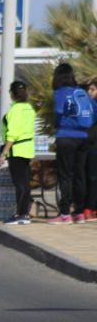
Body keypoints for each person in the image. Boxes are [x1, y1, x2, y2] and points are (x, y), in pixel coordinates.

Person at [51, 63, 93, 224]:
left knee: (65, 175)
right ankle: (80, 212)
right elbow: (93, 111)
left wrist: (57, 125)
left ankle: (64, 213)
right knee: (79, 175)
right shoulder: (81, 92)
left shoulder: (60, 93)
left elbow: (59, 113)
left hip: (66, 137)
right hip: (83, 137)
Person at [0, 81, 36, 225]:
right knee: (25, 183)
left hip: (17, 149)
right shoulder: (29, 108)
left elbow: (12, 135)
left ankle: (21, 214)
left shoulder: (15, 110)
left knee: (19, 184)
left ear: (12, 94)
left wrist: (3, 154)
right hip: (27, 148)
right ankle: (24, 213)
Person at [85, 79, 97, 221]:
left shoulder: (92, 106)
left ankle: (90, 207)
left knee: (93, 178)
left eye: (92, 90)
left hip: (93, 146)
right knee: (91, 177)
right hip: (90, 145)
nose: (89, 92)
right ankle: (90, 207)